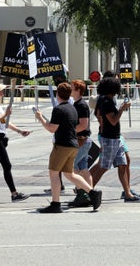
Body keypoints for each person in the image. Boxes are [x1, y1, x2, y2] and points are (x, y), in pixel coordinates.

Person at [35, 82, 102, 213]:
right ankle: (92, 192)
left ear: (57, 94)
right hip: (73, 145)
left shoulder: (59, 109)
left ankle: (55, 203)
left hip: (62, 145)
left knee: (54, 173)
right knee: (69, 173)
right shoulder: (72, 108)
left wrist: (41, 118)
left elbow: (51, 128)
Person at [89, 76, 139, 202]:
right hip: (109, 137)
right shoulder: (107, 102)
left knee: (123, 164)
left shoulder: (103, 99)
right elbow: (113, 120)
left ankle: (128, 194)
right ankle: (87, 191)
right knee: (104, 166)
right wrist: (122, 109)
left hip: (115, 137)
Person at [68, 79, 94, 208]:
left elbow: (83, 125)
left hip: (81, 140)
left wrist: (69, 131)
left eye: (72, 87)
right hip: (83, 140)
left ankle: (83, 193)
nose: (69, 89)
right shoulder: (76, 103)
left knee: (72, 169)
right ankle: (90, 194)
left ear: (78, 90)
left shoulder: (81, 105)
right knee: (83, 169)